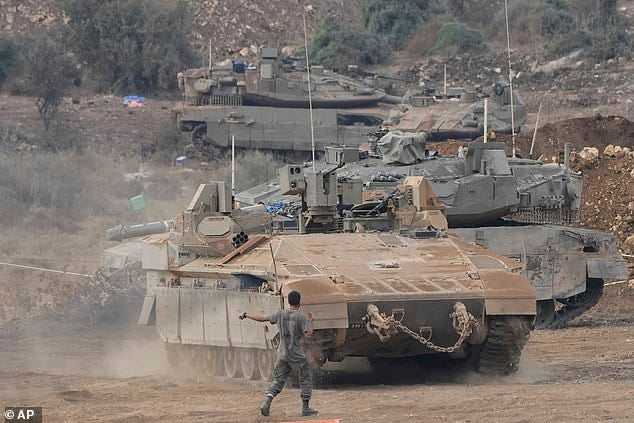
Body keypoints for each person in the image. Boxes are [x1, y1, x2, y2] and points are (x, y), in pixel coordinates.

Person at [239, 290, 317, 417]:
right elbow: (308, 334)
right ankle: (305, 407)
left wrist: (247, 315)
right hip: (296, 354)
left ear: (289, 302)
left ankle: (267, 402)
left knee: (278, 380)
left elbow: (263, 318)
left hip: (282, 353)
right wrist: (311, 321)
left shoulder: (280, 314)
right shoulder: (301, 317)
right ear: (299, 302)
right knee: (305, 377)